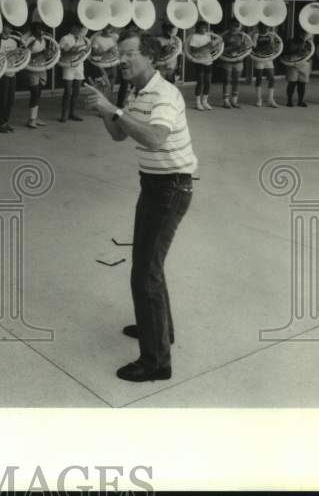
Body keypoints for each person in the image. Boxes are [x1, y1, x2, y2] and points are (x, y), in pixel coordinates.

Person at [82, 31, 197, 383]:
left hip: (171, 188)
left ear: (150, 57)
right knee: (149, 266)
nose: (122, 61)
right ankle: (161, 331)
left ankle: (156, 362)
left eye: (129, 54)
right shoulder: (138, 92)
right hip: (154, 185)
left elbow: (154, 137)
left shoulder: (164, 93)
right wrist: (105, 108)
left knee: (144, 273)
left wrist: (112, 108)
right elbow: (120, 134)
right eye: (120, 55)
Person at [57, 22, 88, 123]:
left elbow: (86, 50)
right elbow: (59, 53)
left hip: (79, 66)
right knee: (67, 91)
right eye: (76, 27)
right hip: (68, 66)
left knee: (76, 92)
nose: (78, 30)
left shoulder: (82, 38)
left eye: (79, 28)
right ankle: (64, 115)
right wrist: (70, 51)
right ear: (72, 27)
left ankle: (72, 113)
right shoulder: (65, 38)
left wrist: (83, 50)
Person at [218, 19, 252, 109]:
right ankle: (226, 101)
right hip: (227, 60)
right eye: (234, 25)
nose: (235, 27)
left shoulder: (242, 35)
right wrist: (232, 48)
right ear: (229, 25)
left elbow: (248, 47)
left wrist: (242, 48)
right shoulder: (224, 36)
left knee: (236, 80)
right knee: (227, 80)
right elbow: (219, 50)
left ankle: (234, 101)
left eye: (237, 25)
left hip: (238, 60)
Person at [23, 21, 49, 128]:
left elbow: (44, 55)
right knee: (35, 92)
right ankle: (31, 120)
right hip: (32, 69)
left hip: (42, 68)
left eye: (42, 28)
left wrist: (47, 54)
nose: (41, 31)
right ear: (34, 30)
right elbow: (25, 56)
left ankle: (35, 117)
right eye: (38, 29)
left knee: (38, 93)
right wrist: (40, 53)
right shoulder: (30, 40)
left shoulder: (43, 40)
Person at [187, 20, 215, 110]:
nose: (204, 29)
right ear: (197, 28)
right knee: (200, 82)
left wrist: (214, 44)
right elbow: (194, 50)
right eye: (201, 27)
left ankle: (205, 102)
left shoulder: (208, 36)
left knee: (208, 82)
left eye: (205, 28)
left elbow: (210, 50)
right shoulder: (194, 37)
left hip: (208, 61)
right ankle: (198, 103)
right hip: (199, 61)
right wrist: (207, 46)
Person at [0, 22, 18, 133]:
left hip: (12, 72)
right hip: (2, 73)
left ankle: (6, 122)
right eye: (6, 27)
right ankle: (0, 123)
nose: (8, 29)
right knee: (2, 100)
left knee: (10, 100)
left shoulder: (14, 41)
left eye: (10, 27)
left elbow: (16, 57)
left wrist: (18, 53)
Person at [251, 22, 279, 108]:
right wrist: (252, 36)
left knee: (272, 78)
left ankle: (270, 99)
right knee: (259, 79)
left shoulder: (271, 35)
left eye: (266, 27)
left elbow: (274, 46)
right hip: (259, 58)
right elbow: (254, 47)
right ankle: (259, 99)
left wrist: (275, 40)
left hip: (268, 59)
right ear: (259, 27)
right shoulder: (256, 35)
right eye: (262, 27)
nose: (265, 29)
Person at [283, 30, 312, 107]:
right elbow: (285, 52)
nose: (304, 35)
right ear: (299, 33)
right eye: (302, 33)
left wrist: (307, 53)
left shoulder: (308, 43)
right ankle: (289, 100)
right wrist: (296, 50)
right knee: (292, 83)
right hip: (293, 63)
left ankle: (300, 101)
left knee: (302, 83)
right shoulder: (291, 41)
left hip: (304, 64)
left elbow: (311, 52)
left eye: (305, 33)